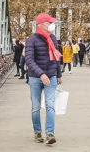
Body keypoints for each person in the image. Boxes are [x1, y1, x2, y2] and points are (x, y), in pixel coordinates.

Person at [24, 13, 63, 144]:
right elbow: (29, 60)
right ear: (41, 24)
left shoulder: (53, 38)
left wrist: (58, 74)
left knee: (50, 105)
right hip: (35, 78)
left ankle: (50, 133)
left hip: (51, 76)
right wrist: (41, 74)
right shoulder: (32, 39)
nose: (51, 25)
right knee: (36, 106)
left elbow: (57, 58)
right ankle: (37, 132)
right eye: (49, 22)